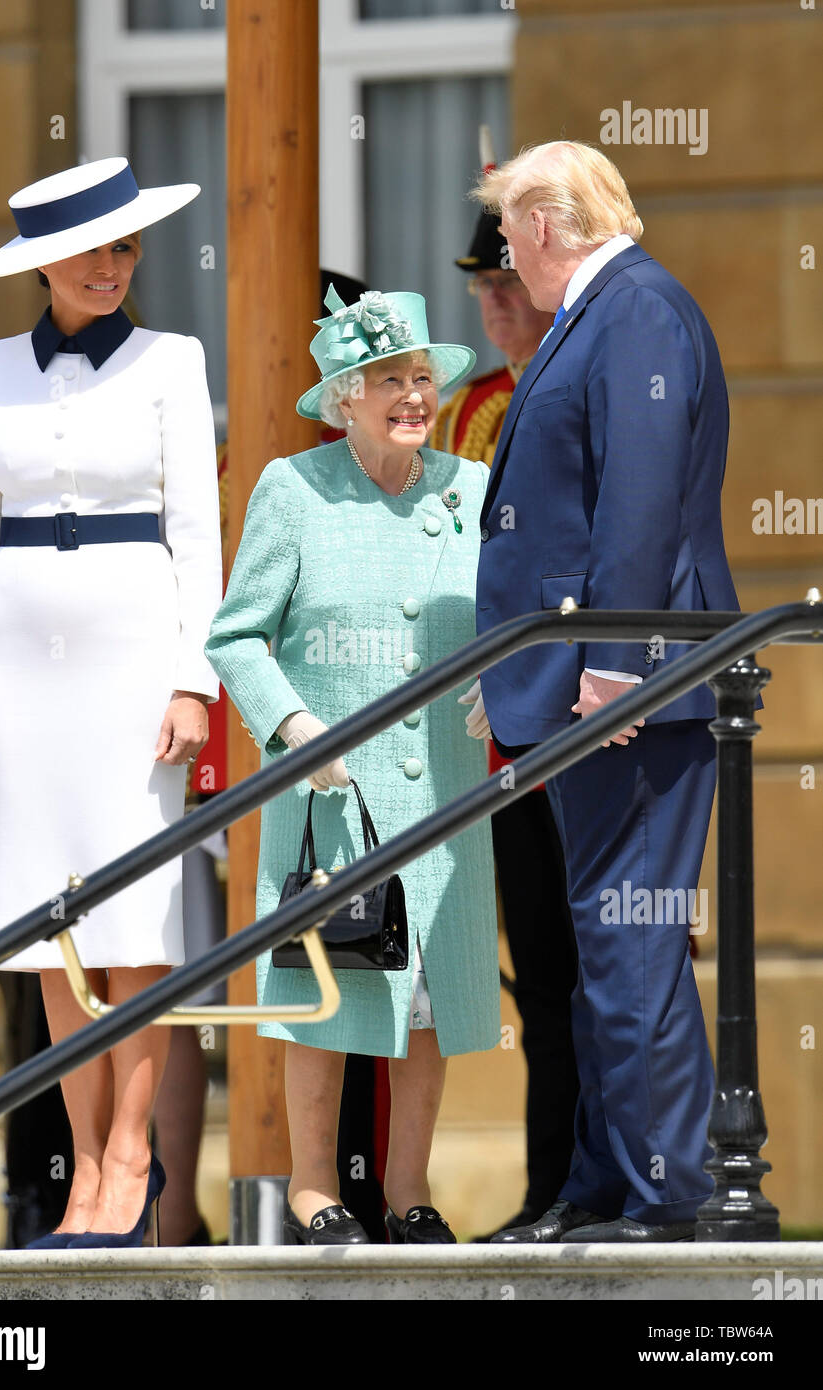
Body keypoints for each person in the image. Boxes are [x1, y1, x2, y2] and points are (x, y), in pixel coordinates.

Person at [0, 157, 223, 1248]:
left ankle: (132, 1156)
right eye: (90, 249)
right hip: (19, 667)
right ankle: (83, 1168)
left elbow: (197, 537)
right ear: (43, 265)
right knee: (45, 923)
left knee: (134, 916)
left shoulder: (171, 360)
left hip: (136, 654)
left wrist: (193, 678)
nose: (112, 267)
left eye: (125, 247)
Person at [473, 140, 741, 1244]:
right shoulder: (605, 311)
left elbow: (636, 501)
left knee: (629, 945)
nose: (500, 253)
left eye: (502, 232)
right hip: (588, 682)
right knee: (602, 947)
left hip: (628, 690)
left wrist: (616, 665)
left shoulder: (629, 309)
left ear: (542, 221)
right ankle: (600, 1184)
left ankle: (664, 1195)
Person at [206, 285, 501, 1245]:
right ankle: (311, 1189)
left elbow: (508, 618)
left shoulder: (471, 489)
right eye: (388, 381)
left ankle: (409, 1194)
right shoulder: (292, 491)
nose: (411, 396)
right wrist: (296, 729)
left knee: (425, 994)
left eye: (420, 378)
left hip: (446, 790)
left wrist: (507, 684)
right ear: (343, 398)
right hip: (332, 794)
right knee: (324, 989)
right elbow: (238, 637)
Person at [433, 129, 579, 1234]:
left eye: (500, 278)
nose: (490, 300)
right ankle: (547, 1185)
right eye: (477, 284)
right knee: (533, 964)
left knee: (595, 963)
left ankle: (597, 1181)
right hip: (494, 723)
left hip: (578, 704)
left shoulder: (582, 375)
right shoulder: (466, 405)